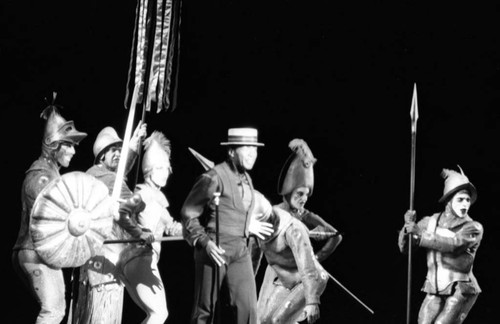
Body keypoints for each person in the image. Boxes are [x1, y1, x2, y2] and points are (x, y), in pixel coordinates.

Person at [12, 96, 87, 323]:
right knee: (53, 311)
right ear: (53, 143)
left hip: (40, 254)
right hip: (34, 252)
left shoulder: (52, 174)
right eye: (69, 145)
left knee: (55, 310)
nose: (74, 152)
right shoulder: (40, 176)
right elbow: (53, 209)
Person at [72, 122, 155, 324]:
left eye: (120, 150)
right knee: (102, 313)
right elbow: (125, 195)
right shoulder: (101, 176)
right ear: (101, 156)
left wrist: (133, 146)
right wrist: (141, 203)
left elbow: (120, 174)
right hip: (102, 261)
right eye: (113, 151)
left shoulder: (100, 173)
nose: (118, 154)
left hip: (100, 260)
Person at [181, 127, 264, 324]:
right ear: (231, 151)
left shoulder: (247, 180)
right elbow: (188, 213)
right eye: (247, 147)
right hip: (215, 248)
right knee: (205, 309)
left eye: (255, 148)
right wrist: (205, 242)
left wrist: (247, 226)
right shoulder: (214, 177)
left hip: (240, 250)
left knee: (249, 308)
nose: (253, 153)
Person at [398, 166, 483, 324]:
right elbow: (406, 248)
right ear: (449, 201)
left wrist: (420, 234)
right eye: (460, 199)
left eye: (467, 199)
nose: (465, 203)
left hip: (460, 288)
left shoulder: (473, 227)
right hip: (435, 287)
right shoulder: (430, 222)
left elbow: (454, 245)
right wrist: (407, 227)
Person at [117, 131, 182, 323]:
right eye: (160, 168)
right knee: (160, 314)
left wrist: (189, 231)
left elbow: (171, 226)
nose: (165, 172)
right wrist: (140, 232)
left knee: (156, 315)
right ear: (149, 171)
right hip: (140, 257)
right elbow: (122, 213)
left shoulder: (158, 199)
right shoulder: (143, 194)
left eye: (167, 168)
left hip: (144, 258)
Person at [251, 190, 329, 324]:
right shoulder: (256, 228)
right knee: (264, 321)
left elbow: (307, 267)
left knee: (278, 321)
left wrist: (311, 301)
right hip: (288, 280)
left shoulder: (292, 229)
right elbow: (253, 259)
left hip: (311, 279)